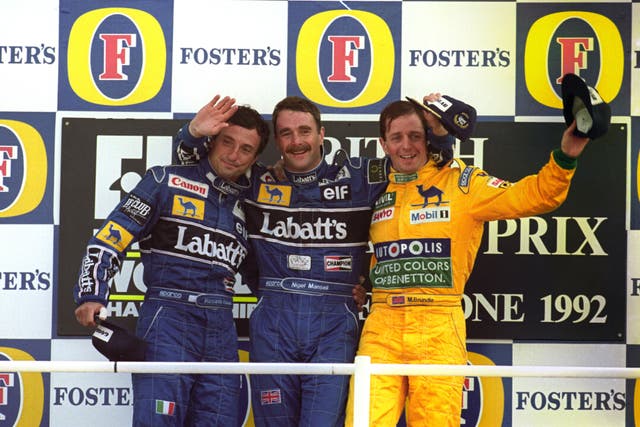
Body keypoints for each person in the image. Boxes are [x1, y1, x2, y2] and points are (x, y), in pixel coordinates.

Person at [174, 96, 425, 426]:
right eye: (286, 133)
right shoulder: (254, 181)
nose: (296, 142)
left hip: (334, 325)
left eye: (304, 131)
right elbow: (194, 173)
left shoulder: (359, 176)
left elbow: (415, 161)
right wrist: (192, 133)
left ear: (322, 134)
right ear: (276, 140)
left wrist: (367, 280)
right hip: (273, 324)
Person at [344, 94, 591, 426]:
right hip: (381, 324)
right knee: (361, 421)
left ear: (428, 138)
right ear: (383, 143)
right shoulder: (371, 184)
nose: (407, 146)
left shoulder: (462, 184)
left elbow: (534, 196)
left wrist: (566, 156)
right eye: (397, 137)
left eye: (415, 136)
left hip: (438, 325)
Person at [73, 98, 270, 426]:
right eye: (227, 142)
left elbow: (264, 273)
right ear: (212, 141)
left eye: (246, 149)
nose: (234, 155)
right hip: (168, 318)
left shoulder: (250, 204)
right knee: (157, 420)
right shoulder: (165, 180)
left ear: (254, 158)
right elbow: (111, 236)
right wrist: (92, 292)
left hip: (221, 326)